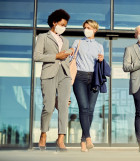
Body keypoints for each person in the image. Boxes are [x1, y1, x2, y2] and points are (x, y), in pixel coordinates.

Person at [33, 9, 72, 152]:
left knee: (63, 107)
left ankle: (61, 139)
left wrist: (68, 55)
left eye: (65, 25)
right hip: (49, 73)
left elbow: (64, 58)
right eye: (62, 24)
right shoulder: (43, 37)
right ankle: (43, 134)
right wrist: (56, 56)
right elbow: (37, 56)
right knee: (48, 107)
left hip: (64, 74)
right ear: (54, 23)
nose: (64, 27)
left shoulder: (65, 40)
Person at [71, 19, 104, 152]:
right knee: (83, 108)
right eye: (85, 27)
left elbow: (100, 65)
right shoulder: (78, 42)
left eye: (89, 27)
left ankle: (83, 140)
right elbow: (70, 58)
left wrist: (101, 60)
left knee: (90, 109)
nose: (86, 29)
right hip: (80, 77)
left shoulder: (99, 46)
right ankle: (88, 138)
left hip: (94, 78)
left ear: (95, 30)